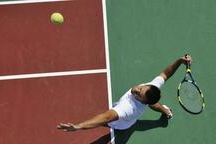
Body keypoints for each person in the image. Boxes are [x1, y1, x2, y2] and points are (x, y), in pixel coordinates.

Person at [57, 54, 192, 131]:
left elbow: (105, 117)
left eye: (139, 93)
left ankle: (165, 112)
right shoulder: (151, 88)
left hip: (122, 124)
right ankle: (166, 111)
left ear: (142, 100)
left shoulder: (127, 108)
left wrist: (79, 126)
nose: (137, 89)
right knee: (153, 103)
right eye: (141, 87)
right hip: (146, 104)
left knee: (106, 123)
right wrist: (180, 61)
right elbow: (165, 74)